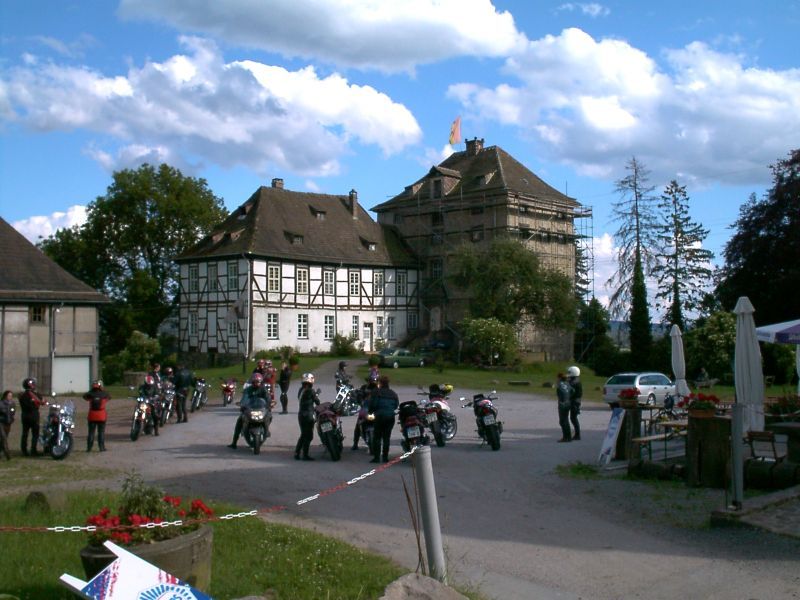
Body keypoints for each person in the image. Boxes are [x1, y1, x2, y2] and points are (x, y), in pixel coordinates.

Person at [228, 373, 272, 449]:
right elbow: (245, 398)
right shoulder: (248, 390)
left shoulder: (263, 389)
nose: (256, 383)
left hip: (261, 409)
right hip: (250, 409)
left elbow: (267, 398)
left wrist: (269, 404)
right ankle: (234, 442)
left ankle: (266, 430)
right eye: (254, 382)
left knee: (269, 416)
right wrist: (242, 405)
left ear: (261, 382)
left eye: (258, 382)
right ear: (252, 382)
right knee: (239, 421)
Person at [368, 375, 399, 463]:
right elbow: (396, 405)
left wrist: (370, 412)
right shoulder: (393, 393)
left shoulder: (376, 392)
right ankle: (385, 457)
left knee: (377, 437)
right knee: (386, 437)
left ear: (380, 383)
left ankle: (377, 457)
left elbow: (372, 404)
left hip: (379, 416)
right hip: (390, 417)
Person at [294, 373, 320, 461]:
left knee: (303, 434)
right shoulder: (311, 391)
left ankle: (297, 452)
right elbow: (317, 402)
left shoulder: (300, 390)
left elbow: (306, 398)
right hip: (308, 415)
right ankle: (305, 455)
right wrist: (316, 395)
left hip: (301, 415)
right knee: (309, 436)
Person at [19, 377, 45, 456]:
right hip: (34, 415)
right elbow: (43, 401)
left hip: (24, 415)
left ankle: (24, 450)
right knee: (35, 434)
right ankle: (33, 450)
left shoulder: (22, 395)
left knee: (25, 433)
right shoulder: (36, 394)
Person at [351, 376, 378, 451]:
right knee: (358, 424)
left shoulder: (379, 389)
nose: (372, 382)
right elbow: (358, 395)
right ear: (368, 381)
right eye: (371, 380)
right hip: (365, 409)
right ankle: (355, 444)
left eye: (374, 381)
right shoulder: (364, 388)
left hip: (375, 410)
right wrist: (360, 400)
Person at [83, 380, 110, 451]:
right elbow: (109, 397)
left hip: (92, 415)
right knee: (101, 432)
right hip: (101, 415)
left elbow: (85, 396)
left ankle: (89, 448)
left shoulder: (90, 394)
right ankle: (101, 447)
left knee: (91, 432)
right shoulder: (104, 394)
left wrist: (91, 391)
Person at [556, 372, 573, 442]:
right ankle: (568, 436)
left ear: (559, 378)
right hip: (568, 402)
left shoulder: (559, 385)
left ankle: (565, 437)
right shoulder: (568, 384)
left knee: (562, 421)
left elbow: (559, 394)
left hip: (562, 404)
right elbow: (573, 391)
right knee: (566, 420)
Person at [567, 365, 582, 441]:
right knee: (573, 418)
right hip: (575, 402)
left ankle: (577, 434)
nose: (568, 374)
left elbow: (570, 389)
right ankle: (576, 434)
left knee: (573, 418)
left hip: (575, 402)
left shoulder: (574, 381)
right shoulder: (575, 380)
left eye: (569, 372)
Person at [0, 390, 16, 460]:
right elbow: (3, 411)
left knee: (4, 438)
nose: (10, 397)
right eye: (9, 396)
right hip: (1, 422)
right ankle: (7, 454)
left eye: (11, 396)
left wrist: (11, 418)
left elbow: (13, 412)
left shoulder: (12, 403)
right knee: (3, 438)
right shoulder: (1, 403)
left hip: (8, 423)